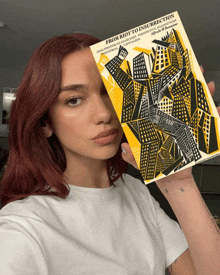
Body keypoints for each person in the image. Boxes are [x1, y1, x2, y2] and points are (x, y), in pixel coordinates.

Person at [0, 33, 219, 275]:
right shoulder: (21, 228)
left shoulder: (135, 192)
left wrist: (179, 181)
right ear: (45, 122)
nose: (104, 113)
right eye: (74, 100)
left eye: (109, 92)